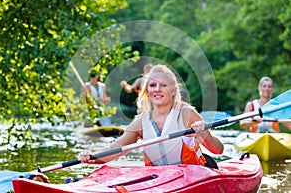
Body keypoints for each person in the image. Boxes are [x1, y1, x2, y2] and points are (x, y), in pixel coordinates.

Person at [78, 64, 224, 166]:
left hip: (194, 174)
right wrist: (91, 157)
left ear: (173, 90)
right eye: (153, 85)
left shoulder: (186, 114)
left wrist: (204, 133)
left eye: (164, 85)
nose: (157, 89)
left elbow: (218, 150)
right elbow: (115, 148)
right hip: (160, 179)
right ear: (147, 91)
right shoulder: (140, 122)